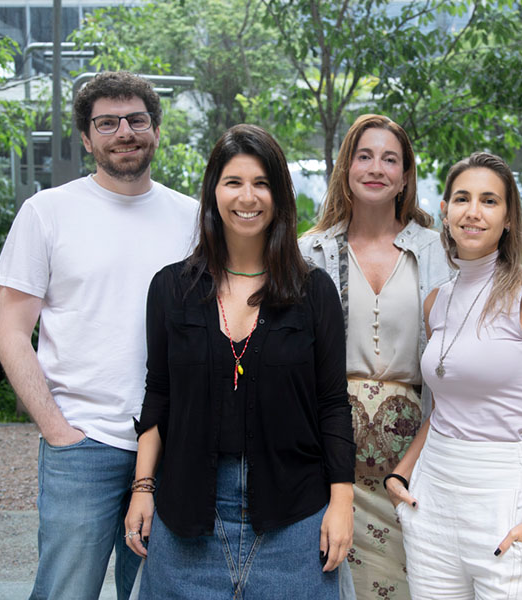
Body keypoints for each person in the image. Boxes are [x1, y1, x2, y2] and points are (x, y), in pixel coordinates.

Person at [123, 124, 355, 599]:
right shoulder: (171, 289)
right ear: (213, 192)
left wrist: (342, 501)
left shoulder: (314, 292)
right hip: (188, 512)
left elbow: (332, 403)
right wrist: (142, 487)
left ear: (280, 196)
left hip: (294, 515)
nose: (247, 197)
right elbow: (159, 393)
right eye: (233, 182)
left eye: (261, 183)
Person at [0, 71, 198, 600]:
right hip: (83, 444)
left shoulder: (193, 219)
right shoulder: (47, 213)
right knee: (65, 591)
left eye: (136, 120)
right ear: (87, 138)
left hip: (172, 446)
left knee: (155, 592)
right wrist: (57, 429)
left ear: (155, 129)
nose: (124, 132)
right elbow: (11, 332)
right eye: (107, 123)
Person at [386, 152, 522, 600]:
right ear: (446, 212)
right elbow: (447, 406)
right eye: (462, 198)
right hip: (434, 498)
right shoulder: (438, 301)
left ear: (508, 217)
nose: (473, 212)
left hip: (508, 495)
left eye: (489, 201)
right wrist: (401, 474)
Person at [299, 114, 453, 598]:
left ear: (406, 175)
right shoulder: (310, 253)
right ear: (347, 166)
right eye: (364, 156)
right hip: (330, 457)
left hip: (415, 458)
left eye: (390, 159)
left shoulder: (440, 253)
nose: (376, 168)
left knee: (416, 579)